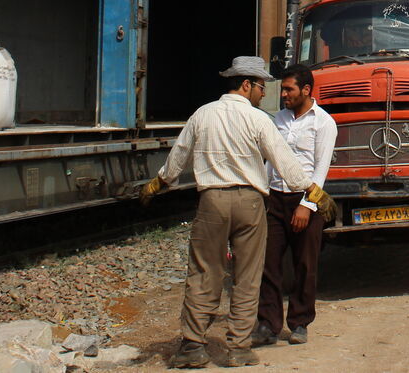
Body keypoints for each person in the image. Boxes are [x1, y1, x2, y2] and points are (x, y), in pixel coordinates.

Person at [141, 56, 337, 369]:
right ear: (246, 85)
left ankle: (192, 346)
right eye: (261, 87)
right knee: (248, 276)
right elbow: (285, 164)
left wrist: (158, 183)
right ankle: (238, 348)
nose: (264, 93)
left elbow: (178, 157)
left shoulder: (203, 114)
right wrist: (313, 193)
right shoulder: (261, 120)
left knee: (204, 271)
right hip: (251, 204)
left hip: (212, 203)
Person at [253, 65, 338, 348]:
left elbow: (320, 170)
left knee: (304, 264)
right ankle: (268, 324)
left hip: (306, 202)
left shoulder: (324, 123)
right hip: (275, 199)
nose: (284, 94)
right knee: (269, 263)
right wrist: (262, 194)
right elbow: (269, 162)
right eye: (283, 89)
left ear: (306, 90)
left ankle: (300, 323)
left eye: (289, 89)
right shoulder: (278, 119)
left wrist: (306, 206)